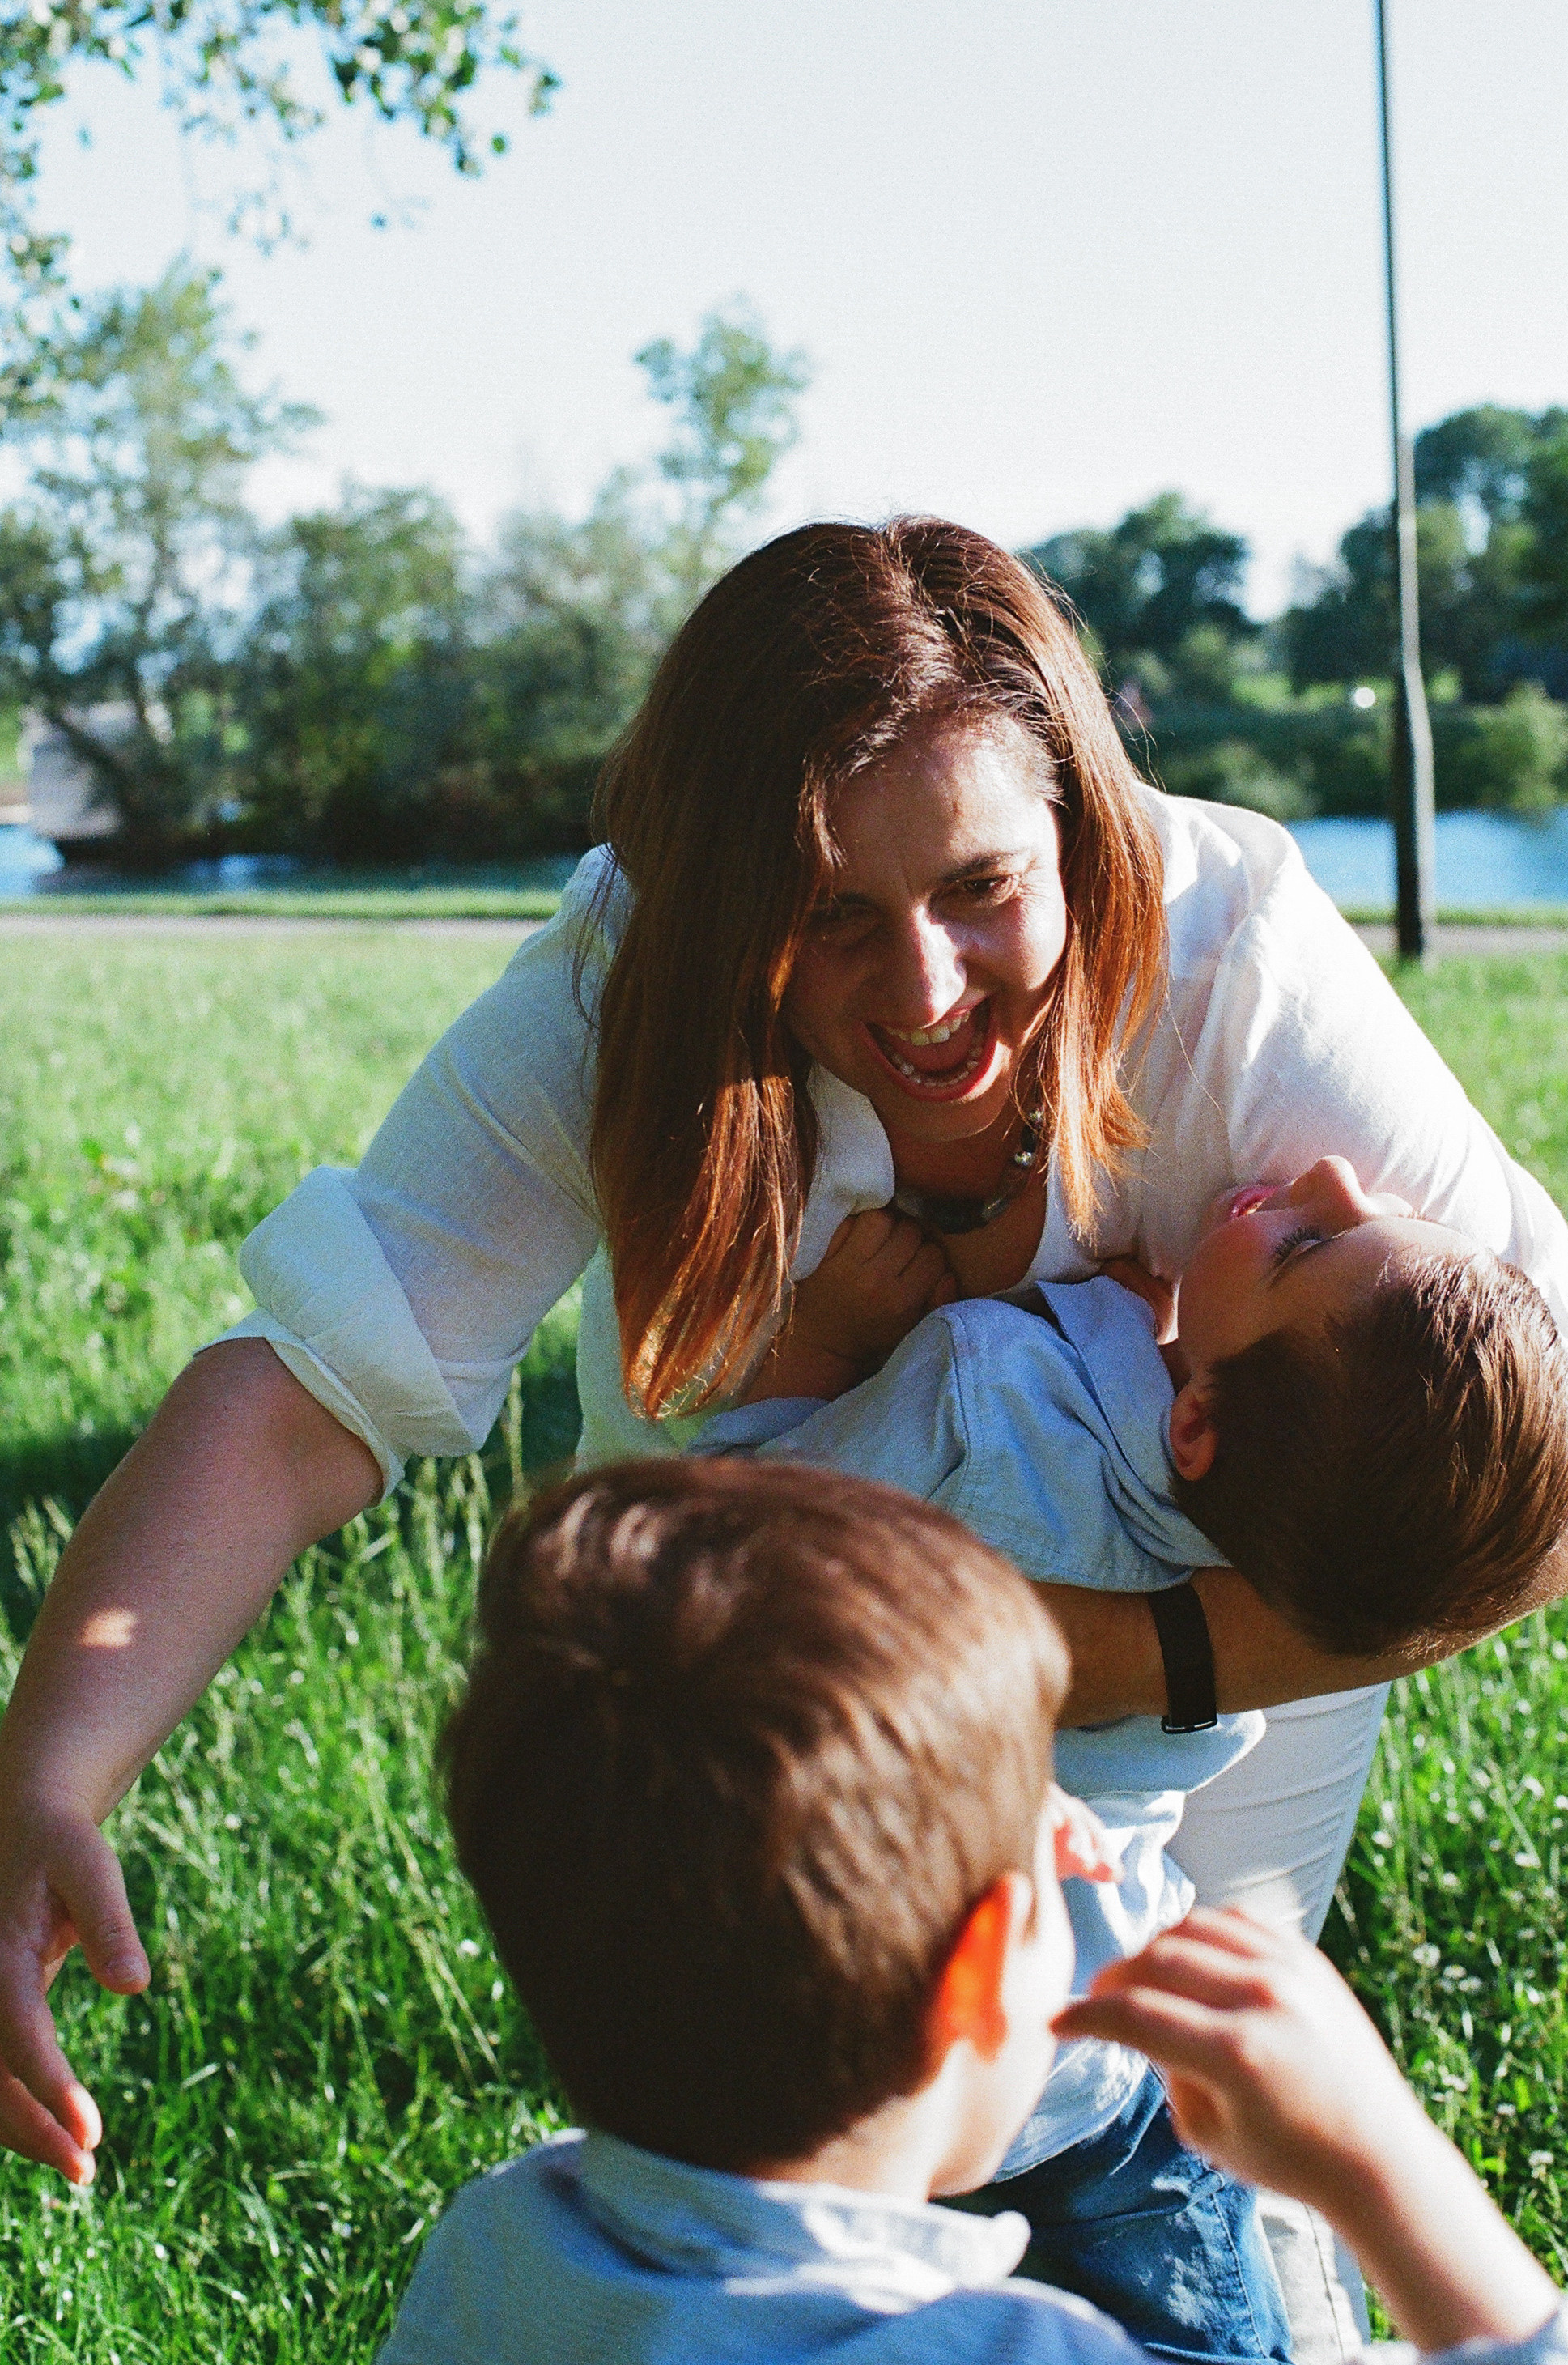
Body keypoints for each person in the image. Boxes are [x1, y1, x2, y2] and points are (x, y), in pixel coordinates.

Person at [1, 517, 1564, 2266]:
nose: (924, 991)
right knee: (760, 2194)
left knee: (1202, 2155)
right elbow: (303, 1403)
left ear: (1080, 833)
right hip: (764, 1691)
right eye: (827, 916)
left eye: (982, 888)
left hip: (1208, 1666)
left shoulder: (1237, 975)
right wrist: (53, 1764)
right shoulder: (623, 990)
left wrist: (1105, 1660)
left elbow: (1540, 1486)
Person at [376, 1457, 1564, 2365]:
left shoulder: (493, 2253)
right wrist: (1383, 2168)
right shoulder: (1015, 2352)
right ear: (980, 1968)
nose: (1069, 1832)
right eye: (1040, 1826)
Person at [695, 1155, 1568, 2328]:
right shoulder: (1280, 1544)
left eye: (1304, 1244)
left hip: (880, 2083)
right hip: (1107, 2068)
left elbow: (723, 1558)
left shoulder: (983, 1399)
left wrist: (817, 1342)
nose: (1331, 1172)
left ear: (1200, 1422)